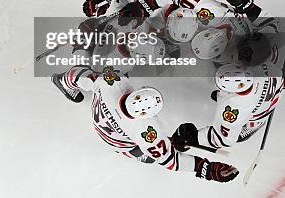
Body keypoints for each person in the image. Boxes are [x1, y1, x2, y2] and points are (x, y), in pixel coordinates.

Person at [51, 66, 239, 182]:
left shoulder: (110, 83)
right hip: (122, 144)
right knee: (150, 158)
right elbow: (170, 161)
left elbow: (84, 76)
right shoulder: (146, 132)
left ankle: (62, 81)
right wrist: (206, 169)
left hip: (102, 125)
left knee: (88, 75)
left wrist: (65, 80)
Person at [172, 63, 283, 149]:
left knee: (237, 133)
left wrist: (194, 138)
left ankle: (253, 126)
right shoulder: (264, 67)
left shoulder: (234, 108)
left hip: (256, 116)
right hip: (269, 97)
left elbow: (224, 140)